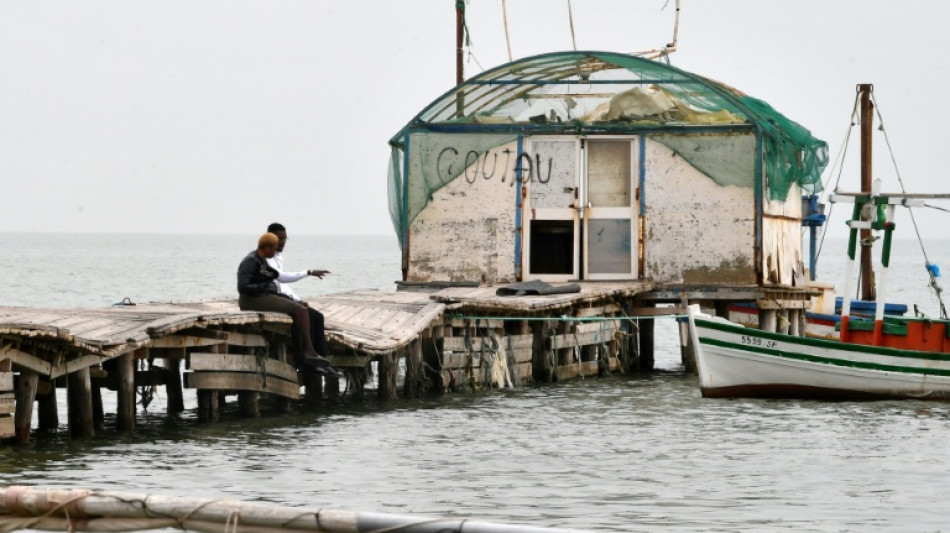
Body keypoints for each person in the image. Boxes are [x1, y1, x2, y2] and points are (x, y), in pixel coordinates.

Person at [237, 232, 341, 378]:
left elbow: (277, 276)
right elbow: (243, 287)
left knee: (303, 309)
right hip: (251, 300)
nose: (275, 252)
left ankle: (309, 353)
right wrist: (265, 287)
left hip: (262, 296)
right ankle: (306, 353)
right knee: (299, 310)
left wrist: (306, 273)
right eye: (273, 248)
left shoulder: (261, 260)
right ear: (266, 247)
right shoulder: (250, 261)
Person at [264, 222, 331, 360]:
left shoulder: (277, 256)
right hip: (266, 297)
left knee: (317, 317)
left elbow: (280, 285)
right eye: (279, 239)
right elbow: (280, 278)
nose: (283, 243)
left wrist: (296, 298)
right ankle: (302, 356)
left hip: (277, 294)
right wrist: (309, 272)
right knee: (301, 312)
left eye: (284, 239)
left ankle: (321, 358)